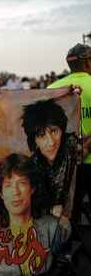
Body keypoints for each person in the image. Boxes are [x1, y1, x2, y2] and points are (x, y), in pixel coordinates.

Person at [0, 154, 71, 276]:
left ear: (32, 188)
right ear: (1, 193)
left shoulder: (55, 228)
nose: (15, 192)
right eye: (8, 185)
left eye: (22, 183)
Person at [49, 43, 91, 222]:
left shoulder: (52, 89)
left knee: (68, 215)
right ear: (88, 63)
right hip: (88, 160)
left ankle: (68, 248)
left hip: (64, 164)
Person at [22, 99, 77, 218]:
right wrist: (50, 209)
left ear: (62, 130)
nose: (51, 142)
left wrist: (75, 96)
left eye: (54, 131)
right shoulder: (31, 167)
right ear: (34, 141)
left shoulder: (71, 145)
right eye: (42, 135)